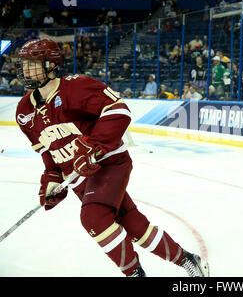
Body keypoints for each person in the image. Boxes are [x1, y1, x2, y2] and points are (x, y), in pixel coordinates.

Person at [14, 39, 209, 277]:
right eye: (24, 63)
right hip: (78, 179)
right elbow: (48, 152)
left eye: (32, 64)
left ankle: (135, 274)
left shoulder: (76, 87)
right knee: (133, 224)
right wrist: (52, 179)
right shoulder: (24, 111)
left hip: (107, 163)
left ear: (50, 64)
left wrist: (93, 148)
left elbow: (118, 110)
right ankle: (188, 259)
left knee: (93, 218)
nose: (25, 69)